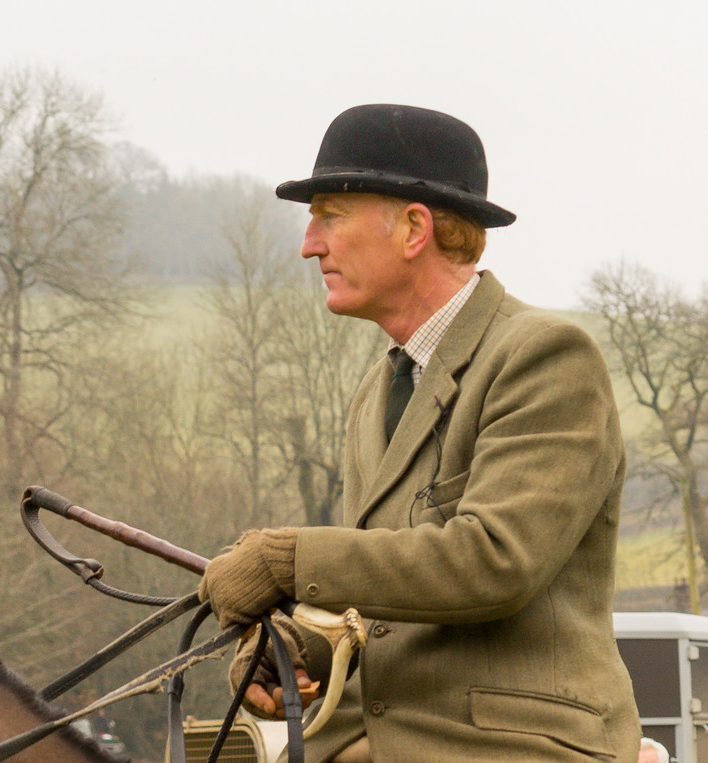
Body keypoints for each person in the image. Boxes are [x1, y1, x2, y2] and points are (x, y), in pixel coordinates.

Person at [199, 104, 641, 762]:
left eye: (330, 214)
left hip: (511, 747)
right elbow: (378, 610)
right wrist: (296, 649)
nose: (309, 242)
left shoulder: (545, 357)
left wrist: (289, 561)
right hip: (369, 742)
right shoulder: (376, 393)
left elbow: (494, 561)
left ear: (413, 228)